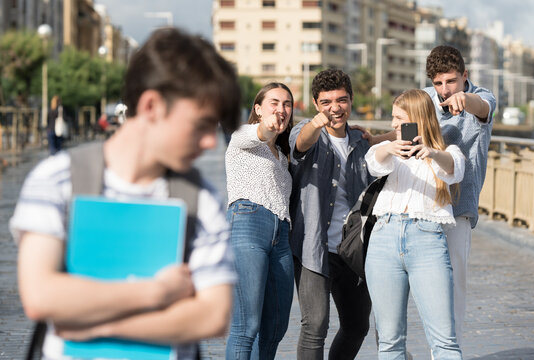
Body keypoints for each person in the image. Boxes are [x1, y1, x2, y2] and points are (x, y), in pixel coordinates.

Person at [11, 27, 241, 360]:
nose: (210, 142)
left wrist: (98, 325)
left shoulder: (200, 198)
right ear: (152, 106)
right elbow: (41, 296)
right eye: (202, 125)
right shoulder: (58, 179)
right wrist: (157, 292)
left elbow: (212, 316)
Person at [364, 89, 466, 359]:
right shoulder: (388, 151)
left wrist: (430, 152)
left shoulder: (447, 152)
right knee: (389, 342)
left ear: (418, 119)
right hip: (383, 239)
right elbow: (373, 162)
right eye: (393, 118)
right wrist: (389, 146)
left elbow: (455, 168)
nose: (394, 124)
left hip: (427, 240)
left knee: (444, 342)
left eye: (399, 118)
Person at [289, 68, 373, 360]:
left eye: (342, 100)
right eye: (326, 102)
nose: (335, 108)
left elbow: (384, 149)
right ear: (316, 103)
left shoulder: (361, 141)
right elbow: (301, 144)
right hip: (314, 248)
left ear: (351, 100)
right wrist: (319, 122)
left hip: (351, 251)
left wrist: (379, 136)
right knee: (315, 325)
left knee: (357, 325)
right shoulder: (306, 131)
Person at [424, 45, 496, 346]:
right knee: (424, 286)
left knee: (454, 287)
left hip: (459, 208)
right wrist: (376, 139)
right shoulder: (426, 98)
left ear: (464, 75)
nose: (443, 90)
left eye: (450, 81)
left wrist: (463, 99)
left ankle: (449, 351)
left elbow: (482, 107)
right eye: (438, 83)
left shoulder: (483, 96)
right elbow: (406, 129)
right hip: (424, 203)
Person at [224, 82, 295, 359]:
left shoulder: (283, 155)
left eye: (287, 104)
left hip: (281, 235)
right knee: (246, 326)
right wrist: (267, 127)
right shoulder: (243, 136)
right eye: (274, 103)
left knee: (276, 326)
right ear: (258, 108)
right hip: (248, 224)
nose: (281, 109)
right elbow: (262, 131)